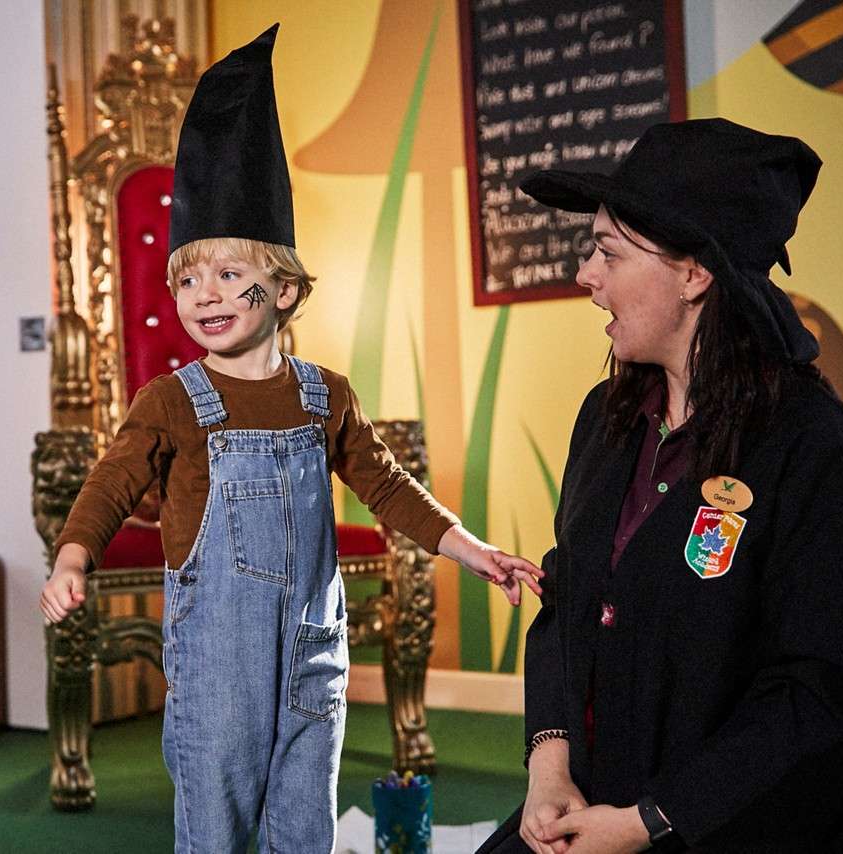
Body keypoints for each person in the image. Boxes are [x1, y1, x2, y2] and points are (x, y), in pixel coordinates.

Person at [38, 24, 543, 853]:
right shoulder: (172, 401)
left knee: (303, 819)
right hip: (217, 671)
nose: (205, 294)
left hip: (315, 652)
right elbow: (111, 482)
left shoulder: (324, 397)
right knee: (219, 818)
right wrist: (72, 557)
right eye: (189, 277)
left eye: (230, 274)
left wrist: (468, 546)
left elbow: (386, 486)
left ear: (284, 287)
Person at [476, 119, 843, 854]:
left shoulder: (821, 453)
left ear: (695, 274)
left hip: (721, 830)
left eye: (607, 251)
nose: (586, 276)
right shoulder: (609, 418)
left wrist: (650, 822)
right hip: (584, 808)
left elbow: (820, 696)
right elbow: (567, 596)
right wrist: (549, 761)